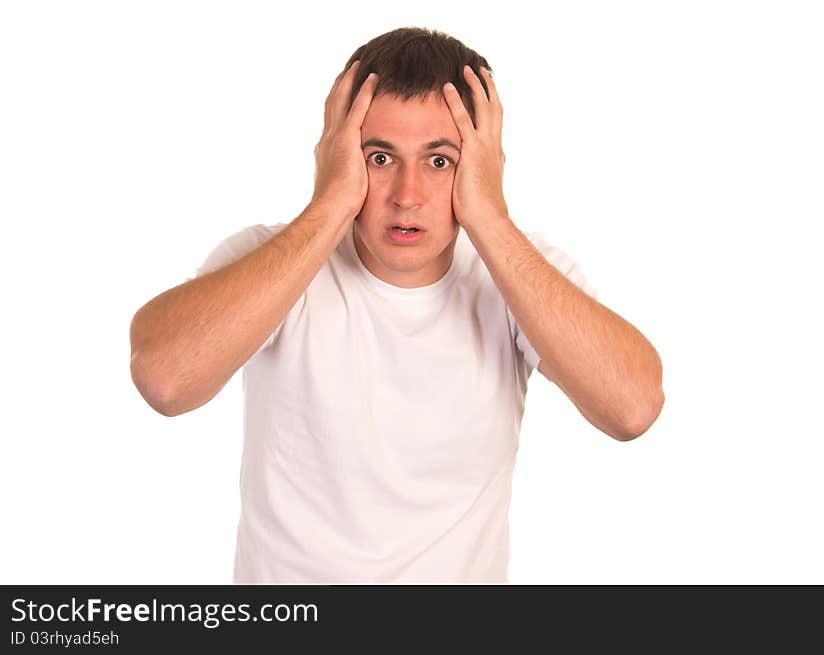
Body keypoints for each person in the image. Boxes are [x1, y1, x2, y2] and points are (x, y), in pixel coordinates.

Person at [129, 27, 665, 583]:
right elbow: (165, 380)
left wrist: (491, 219)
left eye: (440, 161)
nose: (406, 194)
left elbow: (632, 408)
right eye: (379, 157)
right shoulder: (269, 260)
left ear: (483, 163)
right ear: (339, 154)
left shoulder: (516, 271)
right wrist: (330, 203)